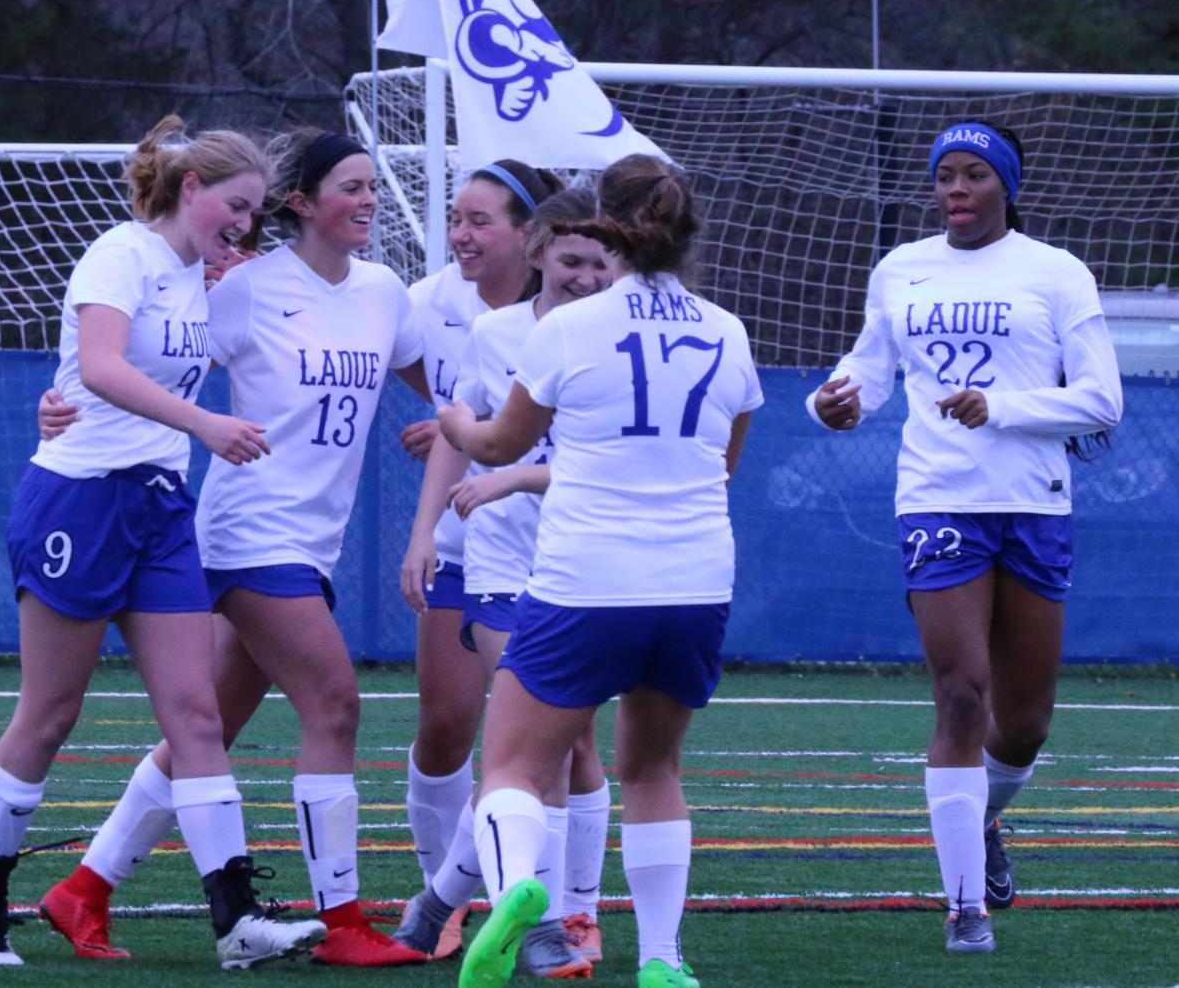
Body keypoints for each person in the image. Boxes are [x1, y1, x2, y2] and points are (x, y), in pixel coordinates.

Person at [36, 128, 432, 967]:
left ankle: (85, 888)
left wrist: (467, 423)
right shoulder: (245, 286)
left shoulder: (384, 291)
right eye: (351, 187)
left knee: (202, 729)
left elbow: (442, 387)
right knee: (334, 705)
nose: (368, 200)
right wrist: (61, 403)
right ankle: (346, 921)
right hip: (248, 531)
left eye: (372, 187)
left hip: (309, 541)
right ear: (301, 202)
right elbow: (144, 358)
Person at [0, 114, 327, 970]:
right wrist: (205, 424)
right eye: (235, 204)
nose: (245, 223)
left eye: (257, 211)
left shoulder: (203, 274)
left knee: (195, 714)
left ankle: (234, 917)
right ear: (191, 189)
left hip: (156, 506)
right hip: (78, 502)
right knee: (49, 715)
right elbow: (104, 366)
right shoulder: (123, 252)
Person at [439, 154, 763, 988]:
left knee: (510, 766)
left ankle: (516, 894)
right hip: (694, 581)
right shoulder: (726, 330)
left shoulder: (566, 328)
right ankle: (661, 960)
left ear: (605, 226)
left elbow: (499, 446)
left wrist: (454, 420)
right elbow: (722, 464)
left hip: (587, 577)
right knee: (653, 770)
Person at [808, 121, 1123, 954]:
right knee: (960, 695)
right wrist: (828, 402)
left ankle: (979, 823)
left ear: (1005, 186)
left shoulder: (1055, 274)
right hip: (937, 498)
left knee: (1021, 726)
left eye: (973, 174)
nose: (954, 189)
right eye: (944, 175)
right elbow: (865, 373)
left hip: (1032, 503)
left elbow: (1101, 401)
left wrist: (1003, 409)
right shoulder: (900, 268)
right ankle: (963, 909)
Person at [394, 188, 615, 978]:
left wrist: (516, 476)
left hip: (587, 565)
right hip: (499, 566)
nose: (585, 277)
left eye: (600, 263)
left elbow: (604, 468)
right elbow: (465, 430)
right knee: (542, 742)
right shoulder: (495, 333)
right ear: (538, 256)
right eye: (570, 261)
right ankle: (549, 927)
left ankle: (440, 907)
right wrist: (425, 534)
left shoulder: (619, 339)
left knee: (562, 743)